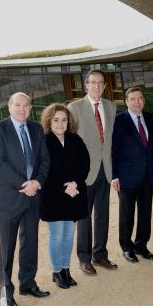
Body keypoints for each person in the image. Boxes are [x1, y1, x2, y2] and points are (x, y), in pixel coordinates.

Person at [0, 92, 51, 306]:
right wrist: (25, 184)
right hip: (9, 197)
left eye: (26, 105)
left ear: (30, 107)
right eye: (17, 105)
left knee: (30, 242)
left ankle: (28, 283)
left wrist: (37, 183)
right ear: (9, 106)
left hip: (33, 196)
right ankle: (5, 293)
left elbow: (45, 160)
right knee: (7, 247)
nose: (21, 109)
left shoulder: (36, 129)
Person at [67, 70, 118, 275]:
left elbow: (109, 142)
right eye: (93, 83)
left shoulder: (111, 107)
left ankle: (100, 254)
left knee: (103, 215)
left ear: (105, 86)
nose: (97, 86)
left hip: (105, 170)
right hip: (84, 173)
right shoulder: (75, 107)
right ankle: (84, 258)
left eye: (100, 83)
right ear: (86, 85)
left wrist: (114, 173)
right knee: (84, 217)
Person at [39, 103, 90, 289]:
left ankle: (66, 270)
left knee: (68, 235)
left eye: (64, 120)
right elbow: (45, 171)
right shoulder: (44, 141)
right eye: (56, 120)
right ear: (49, 121)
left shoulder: (75, 139)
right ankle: (56, 271)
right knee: (57, 235)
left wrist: (75, 183)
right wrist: (64, 188)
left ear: (69, 122)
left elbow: (85, 163)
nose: (60, 124)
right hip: (53, 196)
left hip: (74, 193)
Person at [112, 86, 153, 263]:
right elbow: (113, 151)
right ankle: (127, 247)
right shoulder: (119, 121)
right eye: (132, 99)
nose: (137, 102)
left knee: (145, 212)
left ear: (144, 100)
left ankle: (141, 245)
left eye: (139, 98)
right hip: (126, 176)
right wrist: (114, 176)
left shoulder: (151, 118)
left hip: (147, 175)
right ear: (126, 101)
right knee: (127, 214)